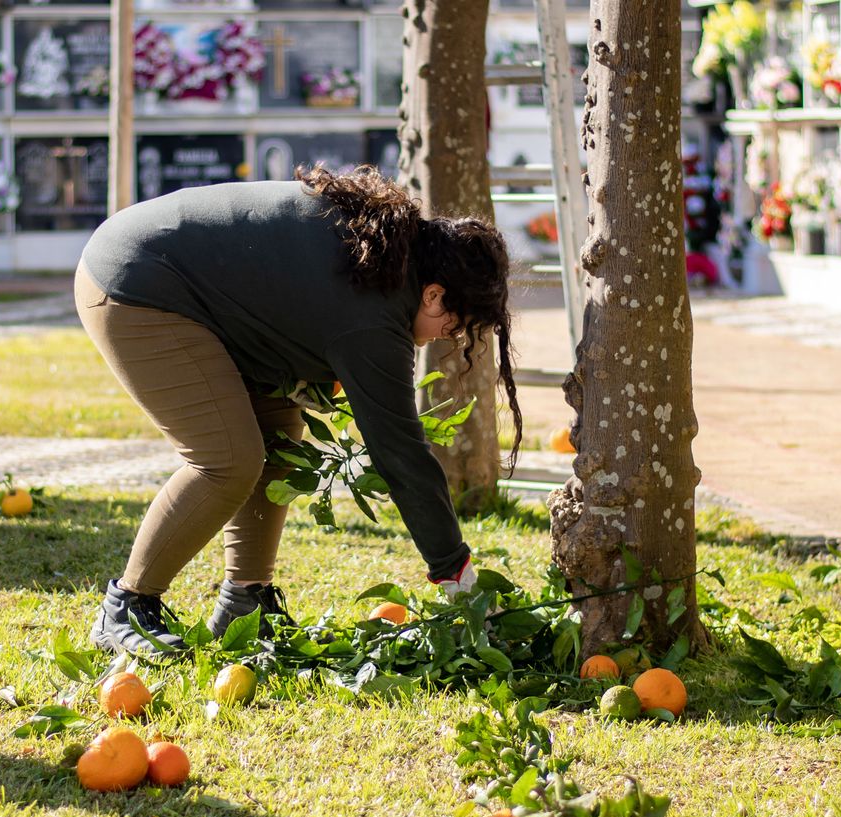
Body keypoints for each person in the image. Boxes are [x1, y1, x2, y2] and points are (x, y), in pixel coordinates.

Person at [76, 166, 521, 656]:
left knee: (278, 445)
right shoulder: (377, 308)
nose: (449, 337)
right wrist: (458, 578)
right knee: (227, 460)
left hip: (191, 289)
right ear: (434, 294)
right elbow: (402, 456)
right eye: (456, 324)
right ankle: (126, 607)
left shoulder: (387, 251)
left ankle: (245, 603)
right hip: (137, 283)